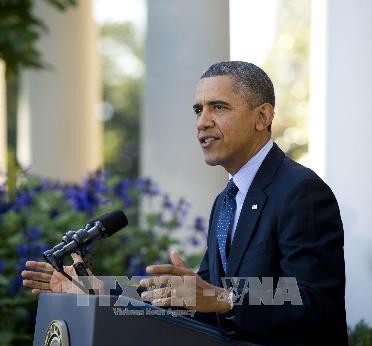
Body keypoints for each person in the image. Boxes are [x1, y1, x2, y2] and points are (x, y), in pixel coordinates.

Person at [22, 61, 347, 345]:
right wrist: (100, 291)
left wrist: (223, 298)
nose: (202, 121)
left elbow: (314, 300)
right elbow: (194, 297)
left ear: (262, 116)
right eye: (198, 110)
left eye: (218, 107)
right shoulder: (226, 201)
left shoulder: (301, 191)